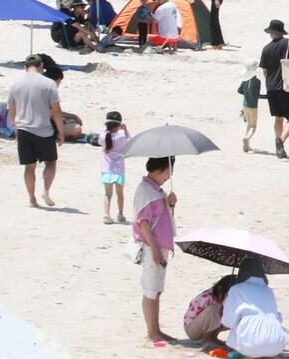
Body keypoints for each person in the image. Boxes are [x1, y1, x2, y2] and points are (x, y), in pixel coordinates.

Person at [8, 54, 64, 208]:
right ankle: (46, 190)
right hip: (44, 129)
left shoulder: (15, 83)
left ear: (26, 67)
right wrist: (60, 132)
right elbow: (57, 111)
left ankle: (32, 199)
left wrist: (15, 127)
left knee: (29, 166)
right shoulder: (49, 84)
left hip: (24, 128)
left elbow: (11, 110)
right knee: (51, 163)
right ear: (41, 67)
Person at [133, 156, 178, 343]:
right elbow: (144, 224)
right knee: (151, 289)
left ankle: (156, 329)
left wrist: (170, 204)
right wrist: (156, 249)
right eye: (168, 172)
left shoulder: (155, 190)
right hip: (152, 247)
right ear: (160, 170)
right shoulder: (145, 190)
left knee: (157, 289)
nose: (169, 176)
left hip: (160, 246)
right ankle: (152, 332)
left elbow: (162, 217)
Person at [220, 257, 288, 359]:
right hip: (277, 343)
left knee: (240, 322)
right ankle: (274, 358)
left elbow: (229, 320)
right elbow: (277, 316)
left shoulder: (237, 289)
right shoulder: (268, 290)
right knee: (270, 321)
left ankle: (249, 357)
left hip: (251, 342)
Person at [259, 20, 289, 159]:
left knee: (278, 118)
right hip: (288, 86)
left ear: (272, 33)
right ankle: (281, 141)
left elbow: (265, 71)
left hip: (272, 88)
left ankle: (279, 146)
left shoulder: (266, 49)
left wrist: (270, 84)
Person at [183, 274, 237, 344]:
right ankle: (207, 339)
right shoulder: (207, 297)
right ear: (220, 289)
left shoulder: (224, 299)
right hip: (192, 329)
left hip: (205, 325)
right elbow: (190, 318)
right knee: (213, 309)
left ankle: (213, 337)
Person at [101, 111, 130, 225]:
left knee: (108, 194)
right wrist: (126, 130)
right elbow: (130, 142)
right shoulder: (122, 136)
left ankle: (107, 215)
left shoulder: (103, 136)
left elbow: (100, 140)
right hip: (119, 170)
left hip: (106, 169)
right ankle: (120, 214)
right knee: (120, 194)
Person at [237, 61, 263, 153]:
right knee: (253, 126)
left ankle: (247, 146)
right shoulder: (257, 81)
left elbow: (239, 91)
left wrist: (246, 94)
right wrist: (268, 97)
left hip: (245, 104)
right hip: (253, 105)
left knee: (248, 124)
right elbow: (256, 95)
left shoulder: (244, 80)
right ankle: (246, 138)